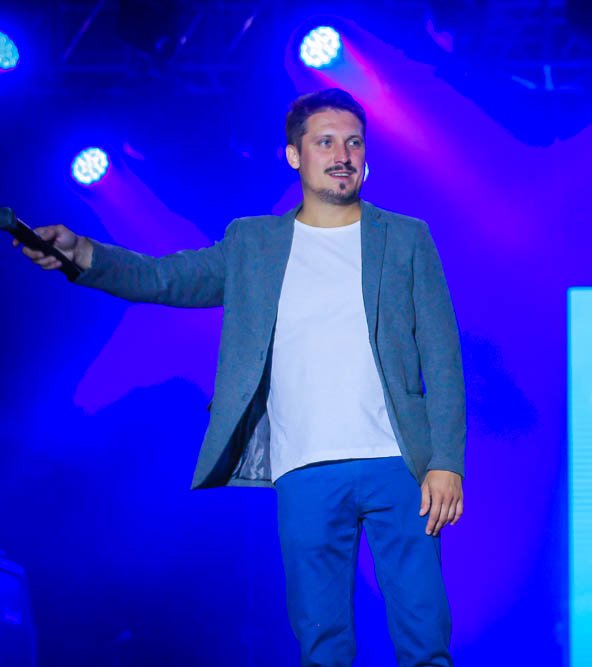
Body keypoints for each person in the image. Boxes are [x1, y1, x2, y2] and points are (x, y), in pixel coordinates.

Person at [16, 88, 465, 667]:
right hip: (304, 468)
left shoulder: (406, 238)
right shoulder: (254, 243)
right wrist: (83, 253)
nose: (342, 155)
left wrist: (446, 460)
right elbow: (166, 277)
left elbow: (442, 353)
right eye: (325, 142)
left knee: (425, 642)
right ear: (294, 155)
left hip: (398, 464)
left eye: (354, 143)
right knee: (322, 647)